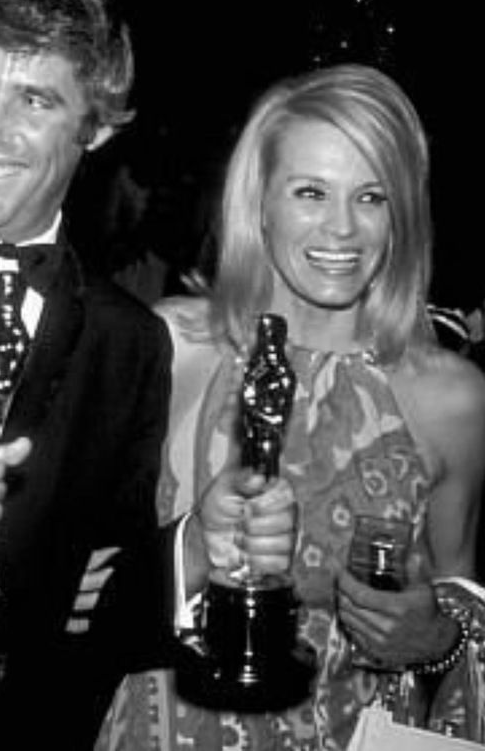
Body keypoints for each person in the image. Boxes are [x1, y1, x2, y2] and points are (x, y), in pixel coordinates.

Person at [0, 0, 289, 745]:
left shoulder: (129, 343)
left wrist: (195, 548)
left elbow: (95, 613)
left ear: (99, 126)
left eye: (35, 100)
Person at [94, 64, 485, 749]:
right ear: (260, 202)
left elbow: (460, 595)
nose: (343, 228)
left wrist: (436, 639)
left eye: (372, 196)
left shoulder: (452, 398)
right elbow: (77, 580)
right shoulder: (173, 348)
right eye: (311, 192)